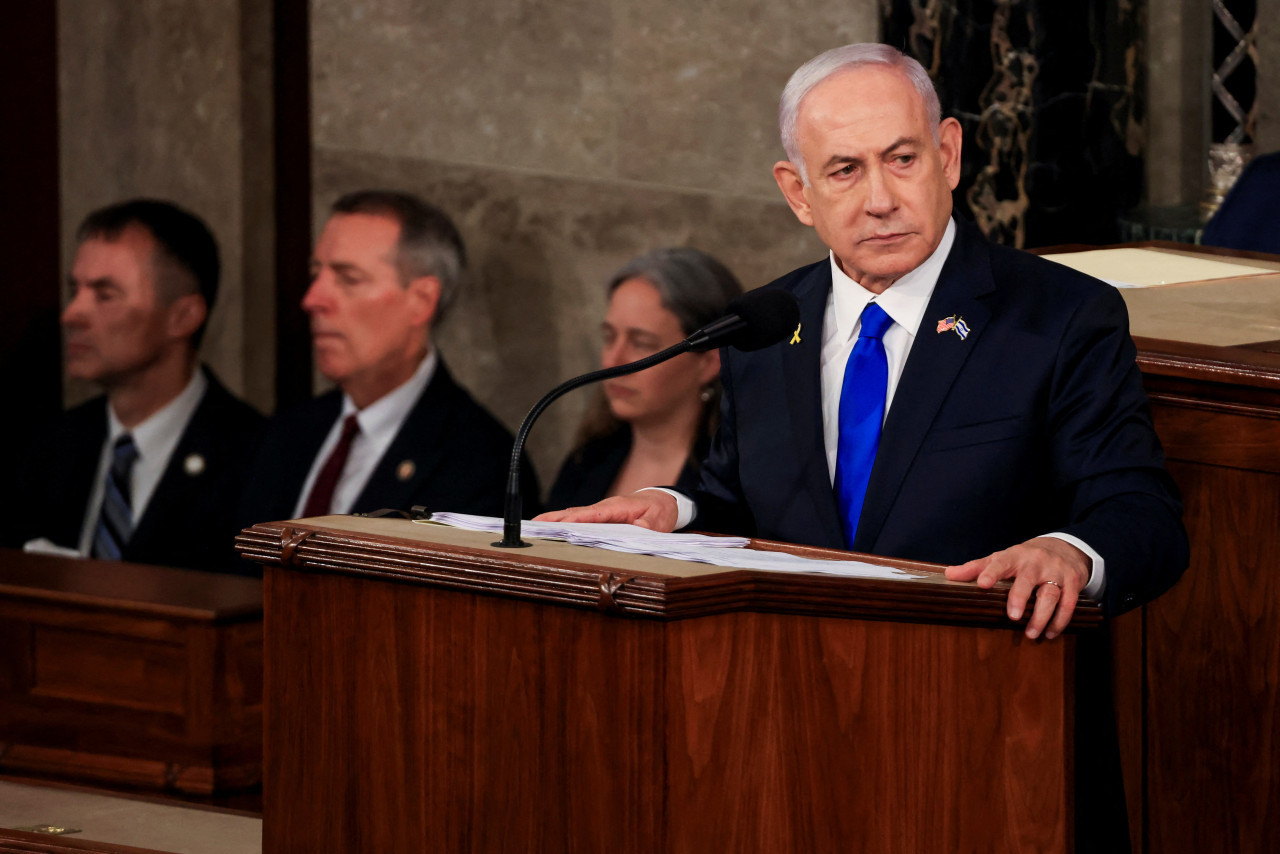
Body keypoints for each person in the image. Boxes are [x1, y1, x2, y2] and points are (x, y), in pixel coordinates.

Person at [539, 44, 1188, 643]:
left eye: (902, 160)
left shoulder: (1060, 317)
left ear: (949, 155)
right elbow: (742, 505)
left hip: (990, 701)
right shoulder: (764, 327)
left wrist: (1070, 551)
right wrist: (673, 510)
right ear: (799, 193)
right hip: (793, 699)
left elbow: (1139, 512)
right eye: (845, 170)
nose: (881, 200)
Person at [239, 190, 538, 528]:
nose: (312, 299)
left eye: (348, 279)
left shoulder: (482, 463)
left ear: (421, 301)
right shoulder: (287, 433)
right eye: (316, 275)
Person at [3, 199, 264, 572]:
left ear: (183, 316)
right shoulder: (49, 448)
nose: (72, 314)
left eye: (105, 295)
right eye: (74, 290)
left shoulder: (253, 458)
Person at [546, 248, 743, 510]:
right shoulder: (587, 461)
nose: (613, 362)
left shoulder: (737, 481)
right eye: (609, 337)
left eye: (641, 343)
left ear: (709, 363)